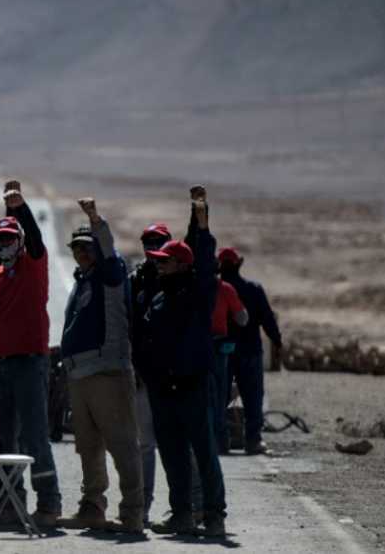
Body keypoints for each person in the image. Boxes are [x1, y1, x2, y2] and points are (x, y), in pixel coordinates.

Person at [135, 186, 227, 538]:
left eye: (163, 260)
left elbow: (202, 258)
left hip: (192, 387)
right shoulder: (157, 299)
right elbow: (145, 341)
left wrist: (200, 220)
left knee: (203, 453)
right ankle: (182, 513)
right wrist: (149, 375)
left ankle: (215, 514)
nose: (156, 263)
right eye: (156, 260)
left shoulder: (198, 294)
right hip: (164, 391)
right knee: (172, 454)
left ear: (180, 265)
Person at [0, 180, 62, 528]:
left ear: (19, 241)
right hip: (0, 365)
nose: (5, 244)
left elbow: (36, 240)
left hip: (29, 362)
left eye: (10, 238)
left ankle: (49, 504)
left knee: (35, 436)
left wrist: (17, 208)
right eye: (0, 240)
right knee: (4, 437)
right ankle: (10, 503)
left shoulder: (33, 266)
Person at [59, 197, 145, 533]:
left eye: (87, 248)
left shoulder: (111, 275)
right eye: (77, 249)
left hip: (107, 372)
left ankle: (132, 513)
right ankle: (93, 506)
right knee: (88, 446)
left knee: (122, 443)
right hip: (80, 374)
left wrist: (95, 219)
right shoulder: (83, 281)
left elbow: (109, 249)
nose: (82, 254)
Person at [218, 247, 282, 455]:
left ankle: (220, 441)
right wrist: (277, 341)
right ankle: (253, 440)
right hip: (249, 352)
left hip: (222, 352)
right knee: (253, 397)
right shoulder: (253, 289)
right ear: (239, 264)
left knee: (219, 396)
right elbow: (268, 319)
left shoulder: (214, 290)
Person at [127, 222, 170, 523]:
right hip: (143, 373)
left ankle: (188, 506)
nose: (153, 248)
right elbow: (127, 324)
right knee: (145, 444)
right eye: (148, 243)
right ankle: (142, 507)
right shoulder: (137, 280)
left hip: (172, 375)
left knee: (178, 441)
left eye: (159, 242)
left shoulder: (180, 278)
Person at [209, 275, 248, 454]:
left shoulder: (193, 286)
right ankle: (221, 443)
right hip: (218, 347)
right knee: (220, 394)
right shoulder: (225, 289)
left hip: (196, 346)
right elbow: (242, 318)